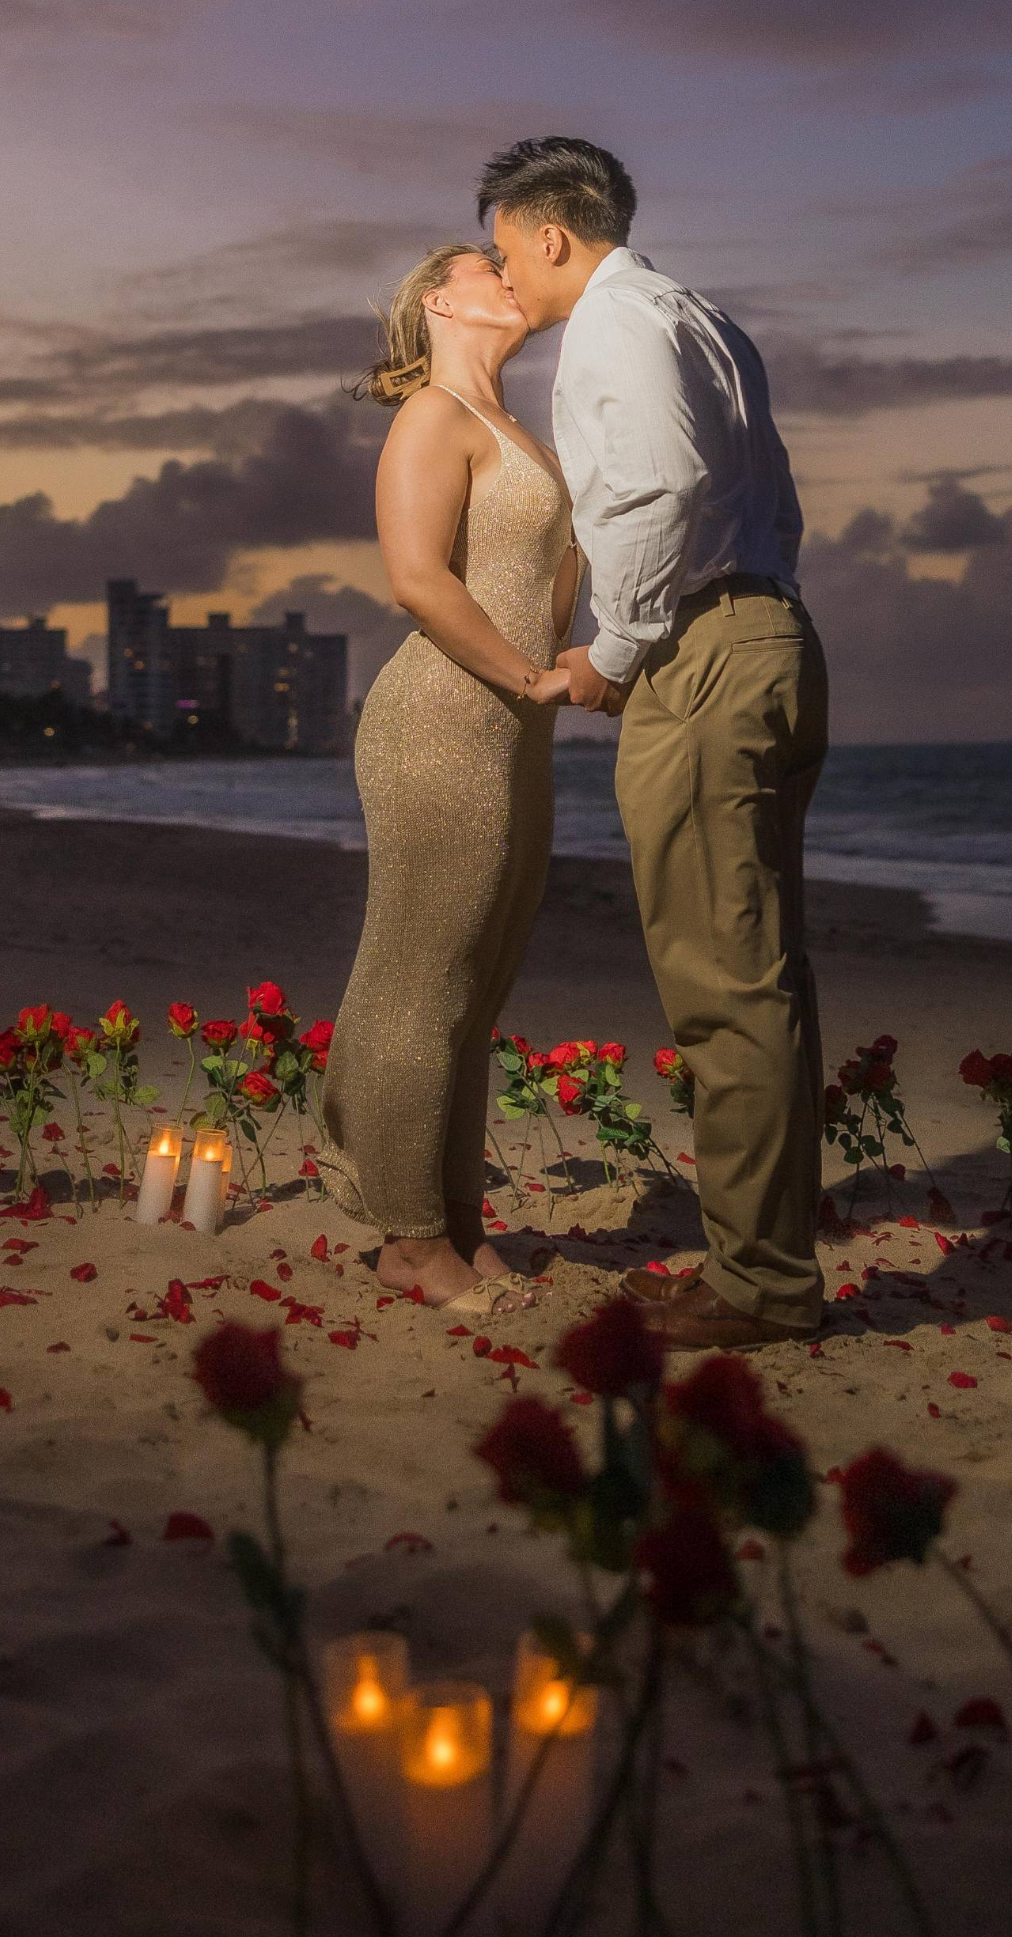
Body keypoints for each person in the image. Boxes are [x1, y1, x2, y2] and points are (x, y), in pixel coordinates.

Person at [481, 137, 828, 1351]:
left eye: (503, 251)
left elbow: (662, 488)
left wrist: (618, 648)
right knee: (763, 974)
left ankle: (763, 1284)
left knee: (724, 984)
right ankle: (759, 1261)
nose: (501, 274)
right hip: (768, 635)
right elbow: (772, 502)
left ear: (552, 236)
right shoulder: (700, 317)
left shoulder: (612, 325)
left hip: (707, 656)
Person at [317, 244, 579, 1307]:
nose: (510, 272)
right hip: (440, 723)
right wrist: (531, 675)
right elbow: (418, 581)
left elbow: (544, 588)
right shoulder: (433, 414)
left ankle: (457, 1220)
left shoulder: (523, 431)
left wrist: (559, 670)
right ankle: (409, 1240)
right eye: (487, 264)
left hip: (514, 731)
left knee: (475, 988)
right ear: (440, 300)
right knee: (419, 983)